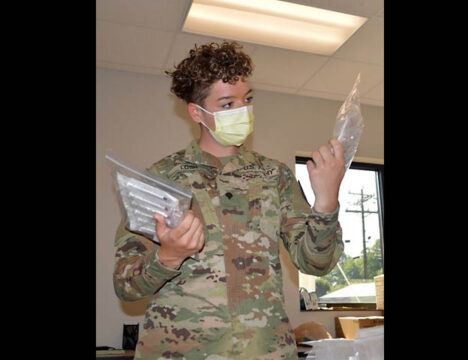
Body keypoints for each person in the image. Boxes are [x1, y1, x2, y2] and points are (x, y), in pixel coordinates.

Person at [113, 41, 346, 360]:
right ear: (197, 112)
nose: (242, 111)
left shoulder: (274, 176)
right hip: (180, 352)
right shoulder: (161, 178)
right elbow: (126, 286)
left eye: (247, 100)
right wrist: (168, 255)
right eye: (227, 104)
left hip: (264, 351)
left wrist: (326, 201)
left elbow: (316, 263)